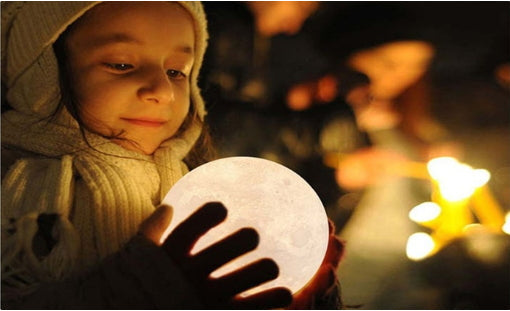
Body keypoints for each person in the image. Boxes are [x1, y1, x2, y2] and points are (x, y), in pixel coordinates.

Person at [1, 2, 342, 309]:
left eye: (177, 71)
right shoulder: (12, 190)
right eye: (122, 64)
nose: (162, 90)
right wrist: (132, 290)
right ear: (42, 72)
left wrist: (311, 298)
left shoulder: (203, 189)